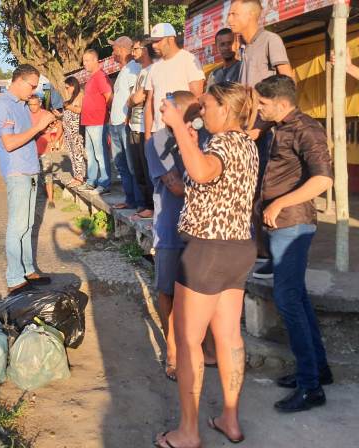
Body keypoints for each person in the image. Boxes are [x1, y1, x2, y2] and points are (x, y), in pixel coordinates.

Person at [155, 82, 258, 448]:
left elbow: (201, 172)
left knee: (188, 341)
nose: (202, 113)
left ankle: (188, 431)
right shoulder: (248, 144)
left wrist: (181, 129)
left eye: (207, 106)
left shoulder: (221, 144)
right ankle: (230, 419)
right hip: (239, 248)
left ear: (226, 110)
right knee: (229, 337)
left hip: (208, 252)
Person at [254, 75, 334, 413]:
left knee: (288, 300)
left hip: (294, 224)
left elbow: (322, 179)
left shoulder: (306, 129)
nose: (258, 108)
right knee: (296, 298)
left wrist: (279, 203)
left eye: (262, 103)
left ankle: (310, 387)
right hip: (280, 225)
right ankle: (318, 370)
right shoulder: (279, 127)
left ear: (280, 102)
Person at [228, 0, 293, 279]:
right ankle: (258, 250)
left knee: (267, 192)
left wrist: (264, 126)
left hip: (265, 132)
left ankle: (274, 257)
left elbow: (287, 81)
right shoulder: (246, 47)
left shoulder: (270, 40)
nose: (229, 18)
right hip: (249, 131)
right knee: (251, 193)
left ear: (252, 15)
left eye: (234, 13)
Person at [146, 91, 204, 382]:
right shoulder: (157, 142)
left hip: (201, 228)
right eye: (194, 112)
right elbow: (177, 187)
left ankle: (195, 344)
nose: (199, 116)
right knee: (167, 290)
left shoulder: (203, 136)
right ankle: (172, 350)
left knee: (196, 292)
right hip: (170, 226)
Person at [0, 64, 56, 294]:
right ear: (19, 80)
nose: (33, 91)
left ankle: (28, 269)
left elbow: (25, 136)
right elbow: (9, 143)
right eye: (32, 86)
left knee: (28, 225)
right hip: (17, 172)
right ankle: (14, 278)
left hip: (30, 170)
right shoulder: (3, 106)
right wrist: (38, 125)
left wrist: (43, 127)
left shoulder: (21, 105)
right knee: (17, 226)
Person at [144, 23, 205, 140]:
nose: (154, 45)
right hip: (159, 134)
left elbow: (197, 97)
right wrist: (147, 136)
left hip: (184, 132)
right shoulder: (154, 67)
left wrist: (190, 129)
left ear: (171, 39)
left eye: (158, 41)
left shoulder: (188, 60)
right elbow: (149, 103)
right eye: (153, 42)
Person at [107, 36, 143, 210]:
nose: (112, 53)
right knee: (121, 165)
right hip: (115, 124)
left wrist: (127, 119)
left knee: (131, 165)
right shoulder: (124, 69)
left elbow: (132, 96)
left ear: (121, 49)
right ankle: (129, 200)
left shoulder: (134, 68)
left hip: (124, 124)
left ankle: (137, 202)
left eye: (114, 49)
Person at [128, 36, 156, 219]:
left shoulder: (152, 70)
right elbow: (133, 99)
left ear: (145, 49)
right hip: (134, 126)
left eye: (136, 48)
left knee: (148, 170)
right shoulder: (141, 72)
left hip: (146, 127)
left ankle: (151, 207)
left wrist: (133, 100)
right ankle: (145, 205)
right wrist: (132, 100)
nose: (133, 52)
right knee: (138, 169)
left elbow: (139, 99)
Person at [80, 49, 112, 194]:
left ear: (95, 60)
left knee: (100, 154)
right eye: (83, 61)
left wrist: (109, 116)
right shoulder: (92, 77)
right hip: (89, 122)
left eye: (87, 60)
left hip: (99, 121)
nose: (84, 64)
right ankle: (91, 180)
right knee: (91, 154)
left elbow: (109, 96)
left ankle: (104, 182)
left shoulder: (100, 76)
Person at [28, 94, 57, 209]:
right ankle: (36, 197)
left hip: (45, 150)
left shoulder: (46, 114)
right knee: (33, 176)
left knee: (48, 175)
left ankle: (50, 200)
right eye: (30, 104)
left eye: (35, 104)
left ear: (39, 103)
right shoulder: (26, 115)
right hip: (30, 151)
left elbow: (57, 125)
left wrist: (55, 140)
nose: (32, 107)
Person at [60, 76, 87, 188]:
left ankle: (81, 177)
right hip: (68, 131)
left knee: (78, 153)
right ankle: (76, 176)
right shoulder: (71, 98)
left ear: (73, 85)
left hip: (76, 130)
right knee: (72, 154)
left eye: (68, 87)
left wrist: (68, 107)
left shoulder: (81, 95)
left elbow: (81, 110)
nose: (67, 90)